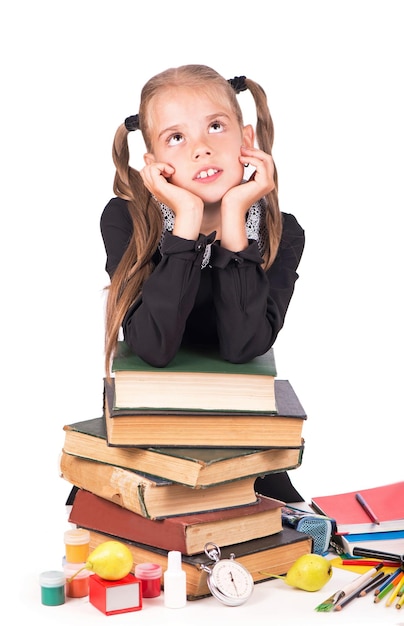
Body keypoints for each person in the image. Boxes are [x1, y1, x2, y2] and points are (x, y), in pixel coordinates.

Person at [100, 64, 305, 502]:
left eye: (215, 127)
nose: (201, 149)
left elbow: (243, 346)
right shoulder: (125, 219)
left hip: (241, 441)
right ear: (153, 165)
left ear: (246, 142)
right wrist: (187, 222)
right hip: (148, 438)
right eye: (176, 137)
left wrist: (234, 218)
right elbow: (153, 346)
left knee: (278, 529)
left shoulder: (280, 232)